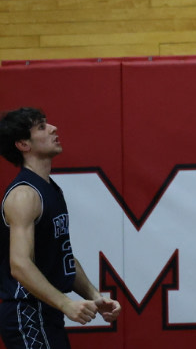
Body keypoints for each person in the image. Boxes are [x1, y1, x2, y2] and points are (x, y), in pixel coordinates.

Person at [0, 107, 122, 349]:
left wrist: (94, 296)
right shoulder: (24, 195)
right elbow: (20, 265)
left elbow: (62, 256)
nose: (54, 128)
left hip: (46, 313)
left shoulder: (50, 189)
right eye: (42, 127)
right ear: (23, 144)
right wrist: (66, 303)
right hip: (26, 314)